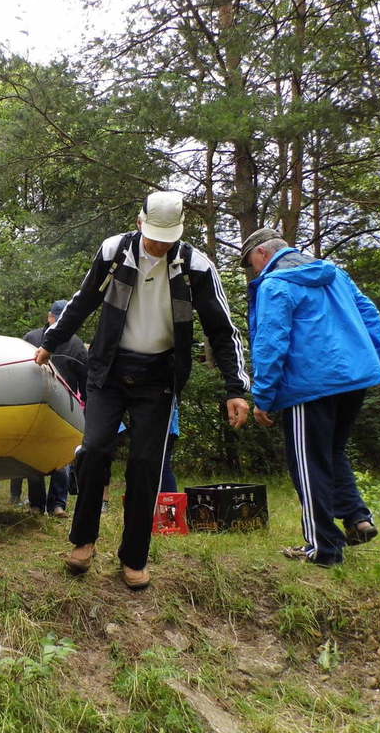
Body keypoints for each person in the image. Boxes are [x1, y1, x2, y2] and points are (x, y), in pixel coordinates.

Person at [36, 190, 250, 590]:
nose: (159, 246)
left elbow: (222, 330)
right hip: (109, 369)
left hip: (159, 376)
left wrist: (235, 387)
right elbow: (84, 300)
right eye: (153, 237)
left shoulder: (196, 267)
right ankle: (83, 541)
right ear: (140, 223)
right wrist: (51, 342)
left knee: (146, 464)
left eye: (167, 240)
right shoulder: (115, 252)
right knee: (94, 450)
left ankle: (133, 558)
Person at [241, 227, 380, 567]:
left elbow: (271, 342)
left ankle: (323, 548)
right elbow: (368, 311)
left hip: (310, 384)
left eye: (251, 262)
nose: (253, 269)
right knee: (332, 451)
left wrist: (264, 396)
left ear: (263, 253)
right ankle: (357, 518)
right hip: (354, 377)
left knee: (308, 463)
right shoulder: (333, 273)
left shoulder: (275, 284)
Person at [22, 299, 88, 517]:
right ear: (50, 317)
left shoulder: (75, 345)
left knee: (60, 455)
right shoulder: (32, 339)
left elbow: (85, 377)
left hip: (64, 407)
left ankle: (56, 504)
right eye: (57, 319)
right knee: (37, 454)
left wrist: (85, 407)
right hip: (37, 405)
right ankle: (38, 504)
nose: (58, 323)